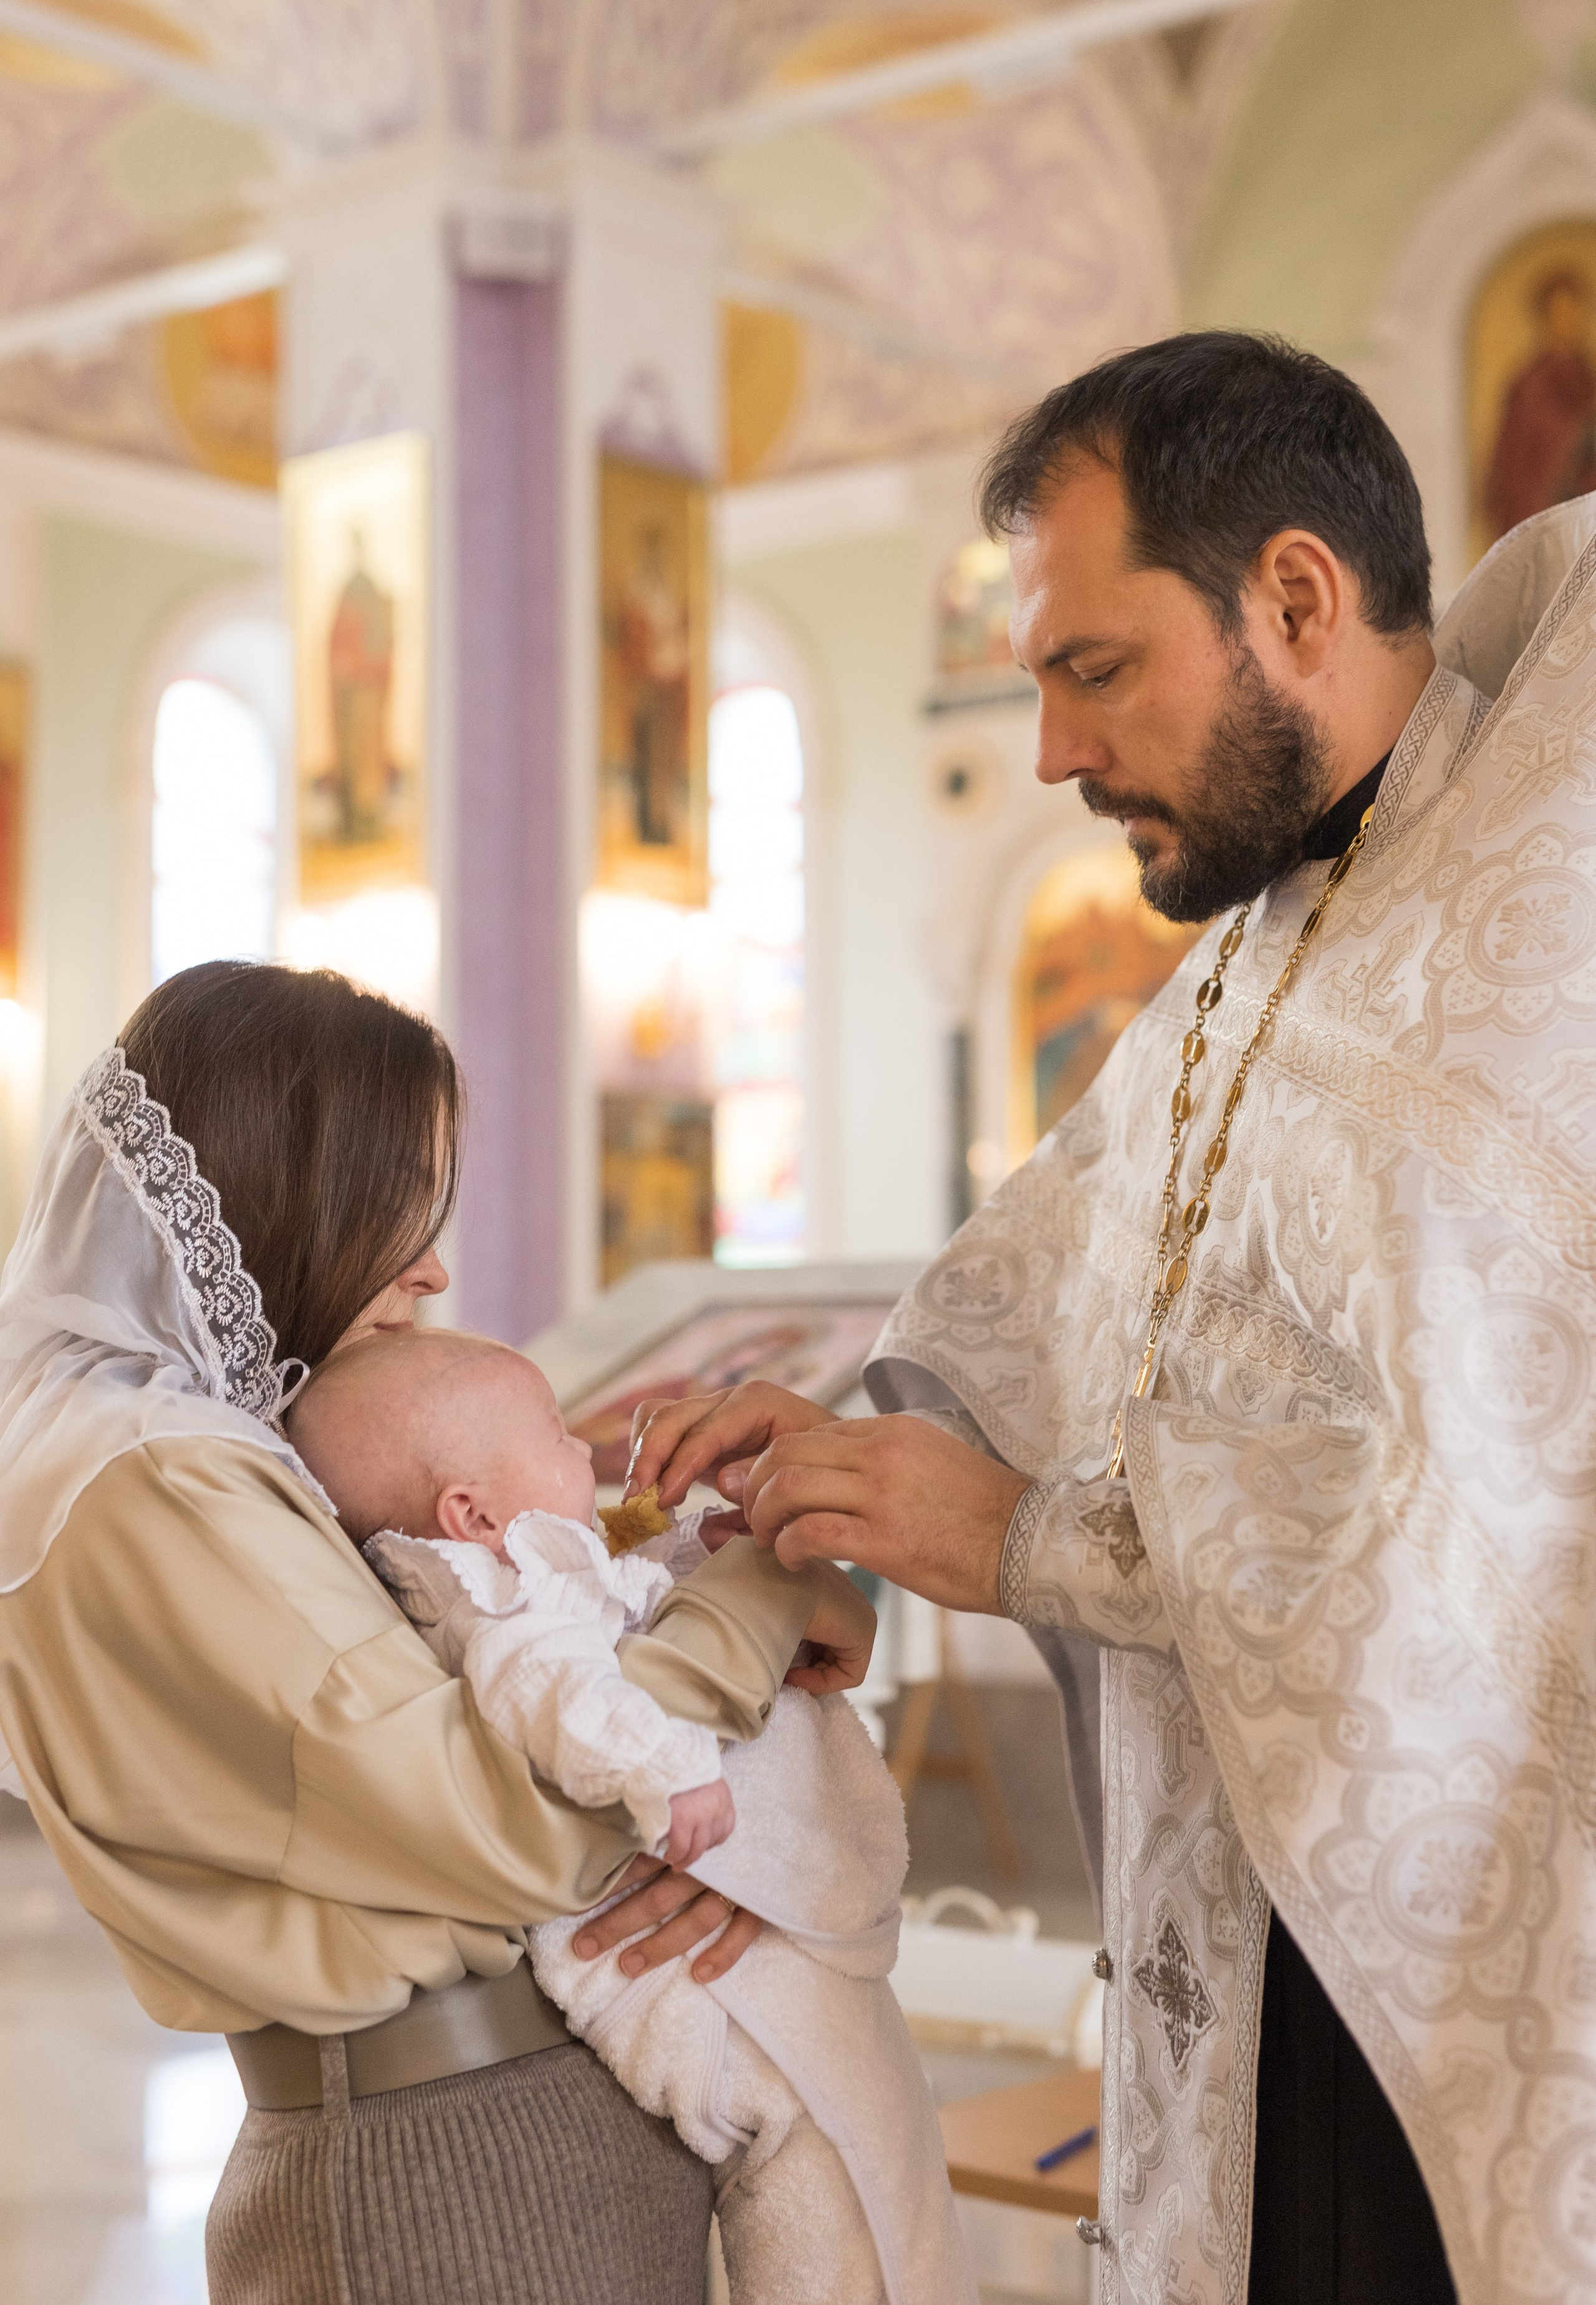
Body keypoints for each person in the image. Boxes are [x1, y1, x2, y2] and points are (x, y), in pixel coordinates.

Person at [625, 334, 1596, 2305]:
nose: (1055, 751)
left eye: (1092, 667)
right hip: (1231, 1959)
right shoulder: (1256, 950)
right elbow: (1037, 1286)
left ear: (1297, 599)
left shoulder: (1538, 936)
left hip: (1470, 1952)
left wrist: (1012, 1537)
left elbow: (1471, 1484)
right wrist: (832, 1511)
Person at [0, 958, 873, 2305]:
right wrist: (759, 1591)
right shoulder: (153, 1473)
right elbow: (512, 1814)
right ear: (279, 1196)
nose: (434, 1265)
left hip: (507, 2135)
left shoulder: (191, 1451)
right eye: (395, 1211)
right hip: (446, 2173)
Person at [289, 1323, 974, 2305]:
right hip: (689, 1977)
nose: (583, 1452)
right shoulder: (506, 1619)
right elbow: (573, 1701)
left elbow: (642, 1563)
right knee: (835, 2162)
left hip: (698, 1940)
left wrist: (707, 1541)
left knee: (857, 2143)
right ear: (473, 1511)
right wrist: (669, 1773)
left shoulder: (542, 1557)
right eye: (554, 1433)